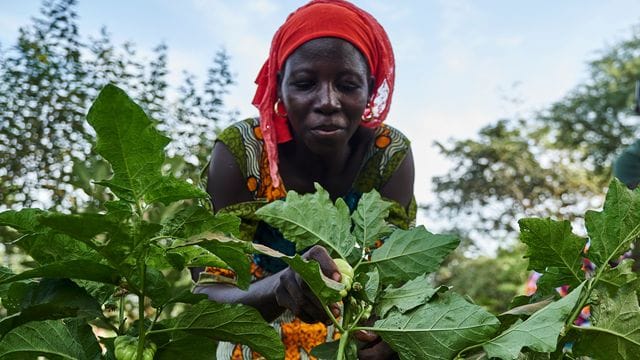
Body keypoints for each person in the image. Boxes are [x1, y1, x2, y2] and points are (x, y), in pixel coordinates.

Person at [192, 1, 416, 359]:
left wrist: (392, 335)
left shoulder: (388, 155)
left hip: (347, 343)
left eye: (347, 84)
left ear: (370, 89)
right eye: (305, 83)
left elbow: (395, 279)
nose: (328, 101)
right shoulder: (244, 154)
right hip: (253, 339)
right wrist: (279, 286)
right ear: (279, 87)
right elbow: (208, 294)